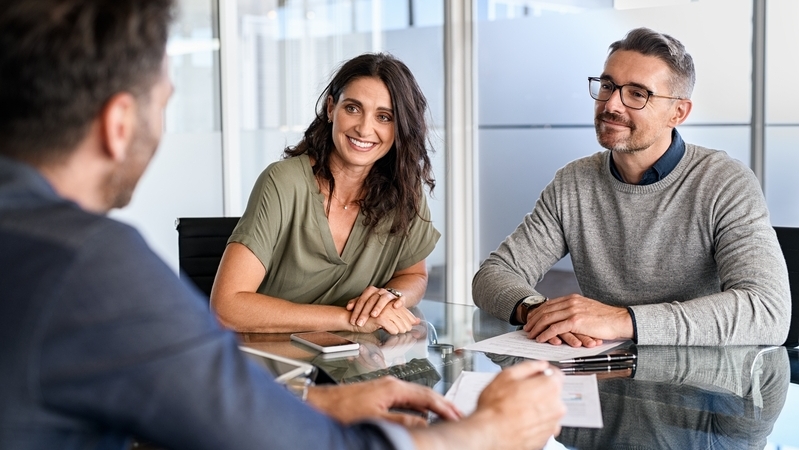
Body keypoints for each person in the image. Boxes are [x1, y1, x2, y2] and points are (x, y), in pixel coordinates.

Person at [0, 1, 566, 450]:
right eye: (166, 100)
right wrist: (485, 433)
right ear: (119, 123)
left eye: (385, 116)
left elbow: (184, 410)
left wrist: (325, 396)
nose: (365, 126)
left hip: (315, 383)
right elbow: (267, 432)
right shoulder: (93, 267)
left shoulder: (39, 246)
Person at [472, 27, 791, 347]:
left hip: (703, 385)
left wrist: (622, 319)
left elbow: (766, 311)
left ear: (678, 112)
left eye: (637, 93)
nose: (611, 105)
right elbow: (493, 275)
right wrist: (539, 311)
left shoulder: (724, 183)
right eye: (608, 85)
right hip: (602, 374)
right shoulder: (573, 183)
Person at [211, 53, 439, 335]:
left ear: (400, 127)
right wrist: (348, 320)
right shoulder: (283, 182)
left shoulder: (405, 190)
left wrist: (391, 297)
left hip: (353, 365)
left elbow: (413, 274)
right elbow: (226, 307)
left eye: (384, 117)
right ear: (331, 108)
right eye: (353, 108)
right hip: (268, 363)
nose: (364, 128)